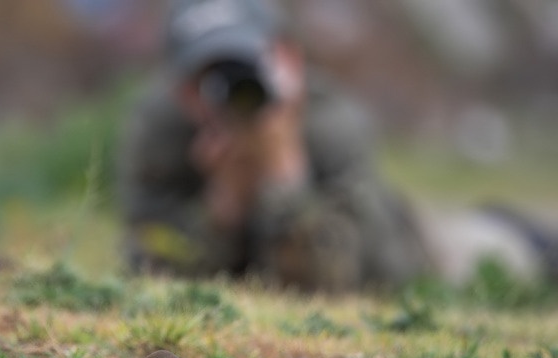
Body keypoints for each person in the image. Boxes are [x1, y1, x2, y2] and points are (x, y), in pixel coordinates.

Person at [117, 0, 555, 292]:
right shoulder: (162, 131)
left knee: (509, 253)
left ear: (286, 61)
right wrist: (221, 208)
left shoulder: (327, 118)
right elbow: (148, 265)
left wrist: (282, 172)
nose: (230, 92)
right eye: (206, 78)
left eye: (242, 67)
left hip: (418, 252)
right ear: (178, 89)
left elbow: (339, 281)